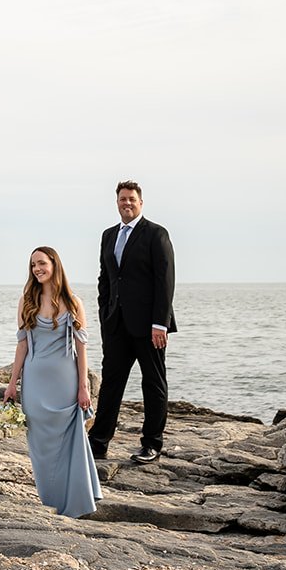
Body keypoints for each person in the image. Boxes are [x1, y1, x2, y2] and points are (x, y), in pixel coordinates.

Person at [3, 247, 101, 519]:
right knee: (41, 446)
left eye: (42, 263)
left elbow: (81, 349)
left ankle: (77, 502)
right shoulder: (27, 301)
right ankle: (50, 500)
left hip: (65, 382)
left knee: (70, 441)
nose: (37, 269)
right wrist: (13, 383)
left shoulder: (72, 302)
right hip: (35, 383)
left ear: (54, 265)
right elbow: (22, 344)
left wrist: (84, 387)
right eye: (33, 264)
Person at [90, 180, 177, 465]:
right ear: (117, 202)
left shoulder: (156, 234)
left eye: (132, 199)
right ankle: (98, 443)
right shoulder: (108, 235)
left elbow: (164, 281)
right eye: (122, 199)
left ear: (141, 203)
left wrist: (160, 324)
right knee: (111, 384)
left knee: (153, 383)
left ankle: (152, 444)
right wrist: (104, 314)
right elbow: (106, 279)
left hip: (149, 327)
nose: (127, 203)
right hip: (116, 323)